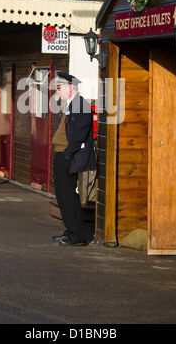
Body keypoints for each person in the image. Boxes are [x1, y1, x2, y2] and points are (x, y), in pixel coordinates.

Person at [52, 72, 96, 246]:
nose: (57, 91)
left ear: (71, 88)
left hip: (67, 154)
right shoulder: (71, 104)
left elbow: (79, 134)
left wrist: (68, 154)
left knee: (69, 195)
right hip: (62, 153)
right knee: (62, 195)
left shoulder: (79, 104)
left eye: (59, 87)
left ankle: (77, 235)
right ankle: (70, 230)